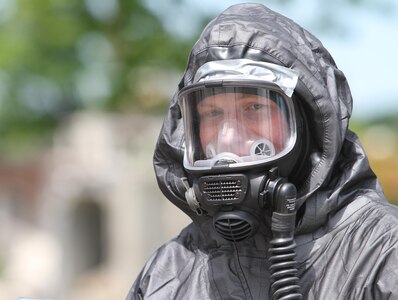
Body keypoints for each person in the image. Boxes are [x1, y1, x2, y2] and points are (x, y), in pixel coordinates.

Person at [127, 3, 398, 299]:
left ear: (309, 125)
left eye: (255, 108)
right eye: (212, 115)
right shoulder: (166, 274)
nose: (228, 137)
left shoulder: (383, 255)